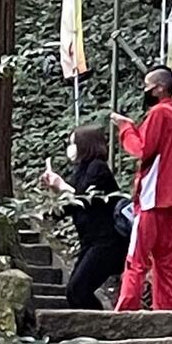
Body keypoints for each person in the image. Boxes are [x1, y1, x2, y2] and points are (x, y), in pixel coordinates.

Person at [114, 64, 172, 312]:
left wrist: (125, 128)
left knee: (137, 258)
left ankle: (126, 310)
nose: (144, 91)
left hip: (151, 198)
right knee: (166, 260)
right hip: (171, 198)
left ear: (158, 88)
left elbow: (142, 149)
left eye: (147, 87)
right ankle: (170, 310)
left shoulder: (159, 114)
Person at [43, 123, 129, 311]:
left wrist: (62, 186)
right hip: (90, 243)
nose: (70, 149)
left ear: (85, 145)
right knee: (75, 291)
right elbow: (68, 206)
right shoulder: (81, 170)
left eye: (74, 144)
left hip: (106, 243)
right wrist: (51, 195)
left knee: (78, 290)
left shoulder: (98, 169)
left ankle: (102, 327)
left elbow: (83, 197)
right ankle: (99, 326)